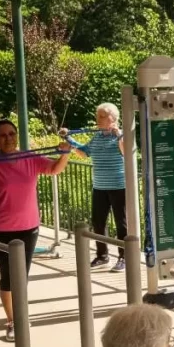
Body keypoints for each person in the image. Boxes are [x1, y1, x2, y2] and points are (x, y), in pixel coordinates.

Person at [0, 119, 71, 341]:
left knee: (21, 276)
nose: (8, 138)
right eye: (2, 135)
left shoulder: (30, 158)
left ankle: (18, 315)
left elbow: (54, 169)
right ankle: (13, 320)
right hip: (0, 228)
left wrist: (65, 153)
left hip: (29, 227)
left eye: (11, 133)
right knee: (9, 277)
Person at [61, 103, 127, 272]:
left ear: (113, 118)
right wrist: (68, 138)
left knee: (122, 224)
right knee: (98, 222)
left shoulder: (121, 135)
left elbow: (127, 151)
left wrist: (119, 135)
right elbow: (84, 152)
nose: (98, 119)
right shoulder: (97, 136)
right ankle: (102, 255)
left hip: (119, 186)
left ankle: (124, 257)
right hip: (100, 186)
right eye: (97, 116)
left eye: (102, 116)